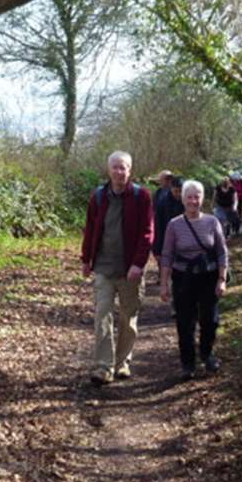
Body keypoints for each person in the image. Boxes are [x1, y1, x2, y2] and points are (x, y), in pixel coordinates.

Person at [80, 151, 155, 385]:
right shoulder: (99, 197)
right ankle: (103, 366)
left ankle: (122, 362)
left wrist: (138, 264)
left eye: (123, 168)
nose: (119, 172)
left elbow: (147, 233)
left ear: (130, 170)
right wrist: (86, 259)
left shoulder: (141, 196)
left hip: (129, 269)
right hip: (103, 266)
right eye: (115, 167)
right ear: (108, 169)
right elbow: (90, 228)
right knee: (102, 314)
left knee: (127, 317)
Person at [159, 180, 228, 380]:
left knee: (210, 320)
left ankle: (207, 354)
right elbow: (167, 255)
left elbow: (222, 253)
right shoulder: (174, 225)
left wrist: (222, 279)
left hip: (209, 276)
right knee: (184, 322)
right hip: (183, 278)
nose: (193, 201)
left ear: (202, 199)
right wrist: (164, 284)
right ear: (183, 200)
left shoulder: (212, 222)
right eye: (189, 197)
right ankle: (187, 363)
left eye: (196, 196)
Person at [153, 176, 185, 267]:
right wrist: (157, 249)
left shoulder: (187, 202)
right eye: (176, 191)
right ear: (171, 189)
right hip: (165, 239)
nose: (179, 194)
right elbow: (158, 226)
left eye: (181, 191)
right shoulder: (162, 203)